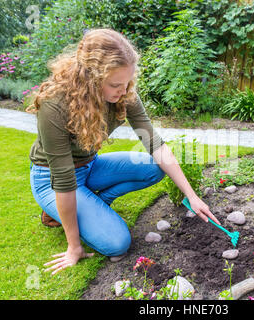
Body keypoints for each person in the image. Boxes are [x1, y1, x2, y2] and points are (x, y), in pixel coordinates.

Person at [27, 28, 220, 276]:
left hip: (90, 166)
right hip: (51, 181)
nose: (124, 90)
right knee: (118, 244)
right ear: (90, 78)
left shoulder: (124, 93)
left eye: (128, 82)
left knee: (153, 166)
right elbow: (63, 182)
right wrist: (73, 247)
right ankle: (60, 211)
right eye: (116, 84)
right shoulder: (55, 104)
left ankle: (94, 204)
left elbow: (155, 144)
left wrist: (192, 196)